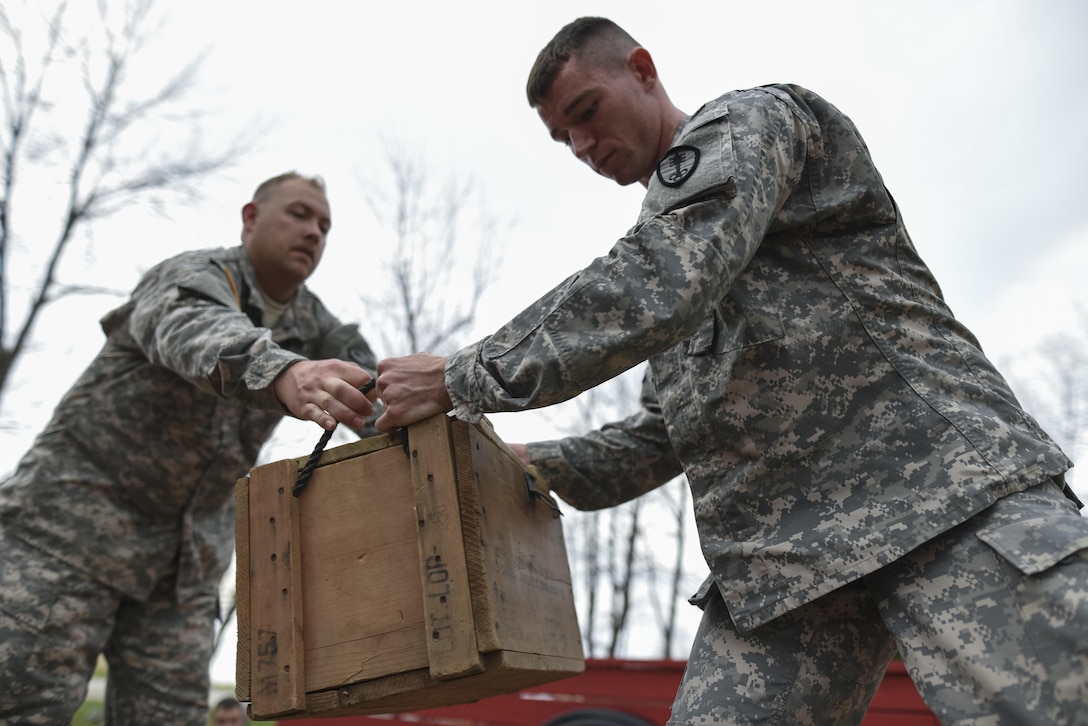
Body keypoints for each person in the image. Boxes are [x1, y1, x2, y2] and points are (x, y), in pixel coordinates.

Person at [372, 17, 1088, 725]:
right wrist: (522, 463)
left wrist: (459, 375)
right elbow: (654, 442)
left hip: (941, 495)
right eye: (565, 139)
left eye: (586, 113)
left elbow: (661, 281)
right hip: (785, 572)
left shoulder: (750, 124)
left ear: (643, 70)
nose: (583, 147)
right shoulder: (670, 283)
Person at [0, 172, 380, 725]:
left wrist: (456, 423)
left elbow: (375, 398)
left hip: (182, 569)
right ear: (251, 218)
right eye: (299, 214)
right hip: (67, 533)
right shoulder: (195, 276)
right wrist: (283, 371)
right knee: (22, 705)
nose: (314, 233)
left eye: (324, 225)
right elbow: (192, 327)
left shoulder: (317, 327)